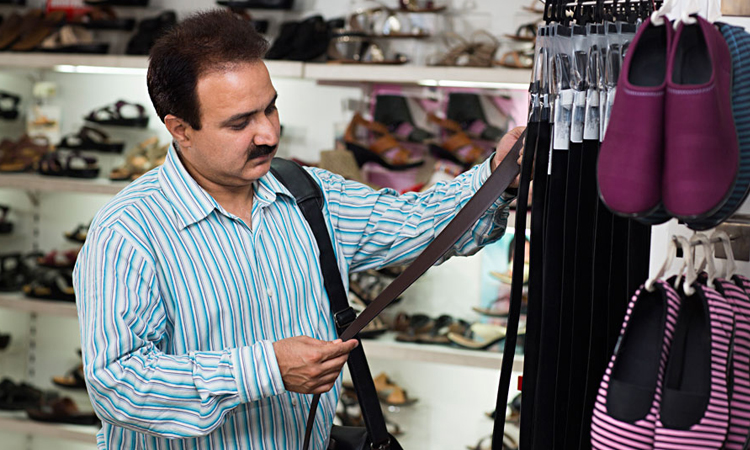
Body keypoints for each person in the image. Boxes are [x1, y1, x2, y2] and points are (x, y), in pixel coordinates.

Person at [73, 9, 525, 450]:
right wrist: (267, 369)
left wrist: (497, 176)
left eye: (270, 109)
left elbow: (419, 224)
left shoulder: (308, 196)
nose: (268, 134)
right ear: (180, 129)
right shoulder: (129, 232)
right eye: (240, 123)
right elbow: (118, 383)